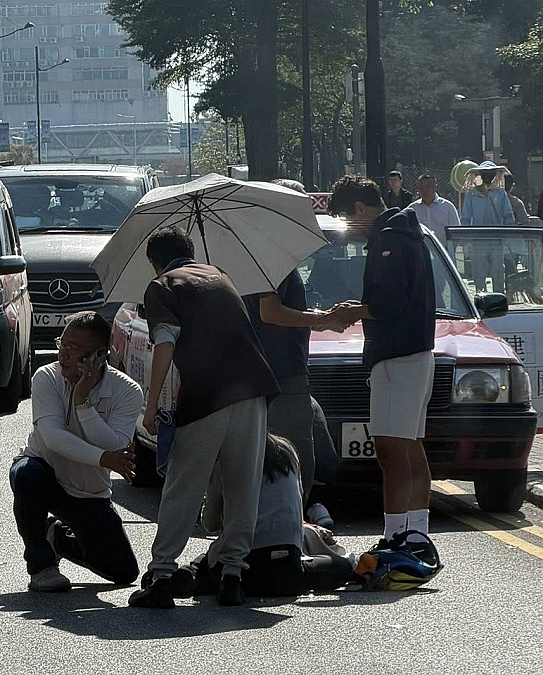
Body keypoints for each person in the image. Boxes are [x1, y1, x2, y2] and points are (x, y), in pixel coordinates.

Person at [128, 226, 279, 608]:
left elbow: (165, 343)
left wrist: (150, 406)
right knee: (243, 485)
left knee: (184, 484)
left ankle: (161, 576)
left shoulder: (163, 285)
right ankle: (233, 575)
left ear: (153, 262)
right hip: (253, 388)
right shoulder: (220, 276)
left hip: (207, 395)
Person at [323, 176, 436, 547]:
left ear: (361, 208)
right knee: (410, 445)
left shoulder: (388, 240)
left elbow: (389, 304)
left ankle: (395, 535)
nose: (348, 228)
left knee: (389, 448)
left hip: (396, 356)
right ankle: (417, 531)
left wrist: (355, 311)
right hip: (416, 353)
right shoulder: (408, 233)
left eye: (346, 217)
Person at [8, 311, 142, 592]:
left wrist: (82, 401)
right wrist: (104, 459)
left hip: (88, 492)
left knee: (123, 571)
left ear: (99, 355)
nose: (64, 354)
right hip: (47, 475)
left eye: (74, 348)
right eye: (62, 344)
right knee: (26, 474)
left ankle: (57, 536)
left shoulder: (127, 391)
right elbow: (52, 436)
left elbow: (116, 445)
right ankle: (41, 565)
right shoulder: (46, 377)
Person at [241, 178, 344, 525]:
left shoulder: (259, 250)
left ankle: (276, 525)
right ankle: (291, 528)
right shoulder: (271, 254)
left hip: (263, 371)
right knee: (297, 454)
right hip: (281, 373)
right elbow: (269, 312)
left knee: (271, 454)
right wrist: (323, 320)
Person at [188, 432, 356, 597]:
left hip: (236, 570)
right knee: (344, 566)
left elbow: (211, 524)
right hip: (287, 570)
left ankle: (192, 574)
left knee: (213, 555)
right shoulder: (287, 450)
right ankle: (199, 577)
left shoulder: (224, 457)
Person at [461, 161, 515, 293]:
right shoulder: (472, 196)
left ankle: (499, 299)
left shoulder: (500, 194)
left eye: (490, 173)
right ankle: (481, 300)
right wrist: (467, 241)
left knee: (498, 272)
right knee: (478, 273)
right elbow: (466, 219)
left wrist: (508, 235)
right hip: (478, 241)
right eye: (485, 173)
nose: (488, 176)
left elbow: (508, 216)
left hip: (497, 240)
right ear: (479, 175)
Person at [409, 174, 462, 248]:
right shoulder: (412, 209)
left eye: (428, 187)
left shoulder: (447, 207)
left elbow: (456, 233)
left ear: (435, 187)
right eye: (422, 187)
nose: (425, 190)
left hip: (443, 252)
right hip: (420, 252)